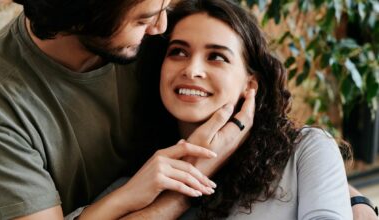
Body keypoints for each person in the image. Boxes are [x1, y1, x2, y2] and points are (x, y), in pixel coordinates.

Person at [0, 0, 256, 219]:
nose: (161, 28)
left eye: (165, 7)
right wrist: (181, 191)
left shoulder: (153, 30)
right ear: (83, 17)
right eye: (143, 19)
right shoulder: (7, 106)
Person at [115, 0, 354, 218]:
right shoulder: (144, 176)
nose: (192, 70)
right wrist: (179, 197)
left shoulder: (305, 151)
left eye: (216, 56)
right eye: (178, 52)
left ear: (250, 83)